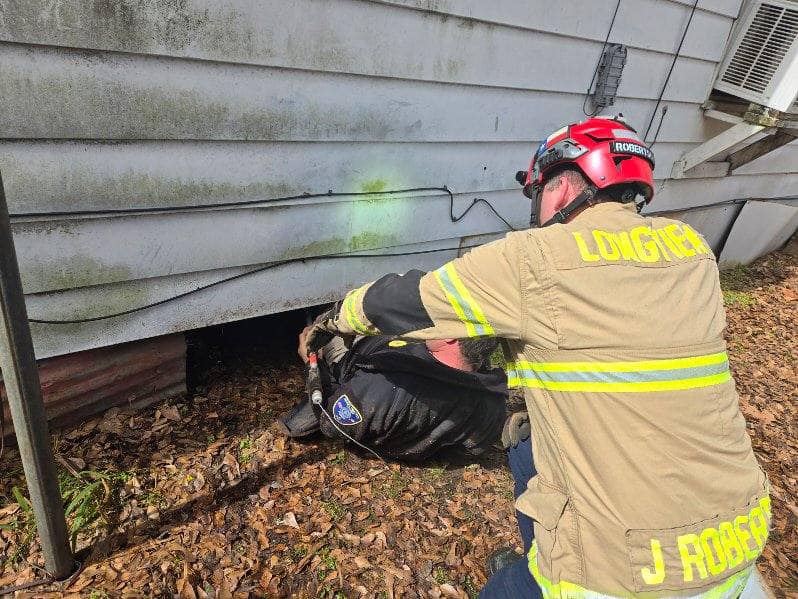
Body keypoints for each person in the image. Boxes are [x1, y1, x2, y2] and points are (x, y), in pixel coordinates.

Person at [305, 115, 770, 597]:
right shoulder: (691, 251)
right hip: (741, 532)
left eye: (539, 192)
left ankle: (533, 571)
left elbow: (405, 300)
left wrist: (333, 321)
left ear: (563, 189)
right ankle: (537, 543)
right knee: (527, 447)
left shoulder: (535, 259)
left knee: (508, 588)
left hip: (625, 568)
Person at [278, 324, 508, 461]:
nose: (432, 321)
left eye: (439, 318)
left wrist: (311, 363)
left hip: (352, 356)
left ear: (451, 336)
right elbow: (470, 450)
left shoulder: (384, 384)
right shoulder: (493, 401)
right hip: (384, 345)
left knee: (316, 330)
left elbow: (331, 423)